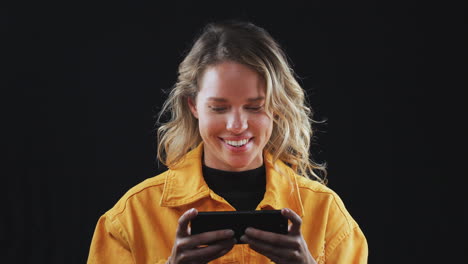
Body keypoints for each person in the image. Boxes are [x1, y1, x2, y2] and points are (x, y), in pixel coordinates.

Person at [87, 20, 368, 264]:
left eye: (255, 107)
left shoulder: (327, 215)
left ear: (276, 107)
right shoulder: (130, 218)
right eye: (219, 108)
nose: (236, 126)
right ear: (193, 106)